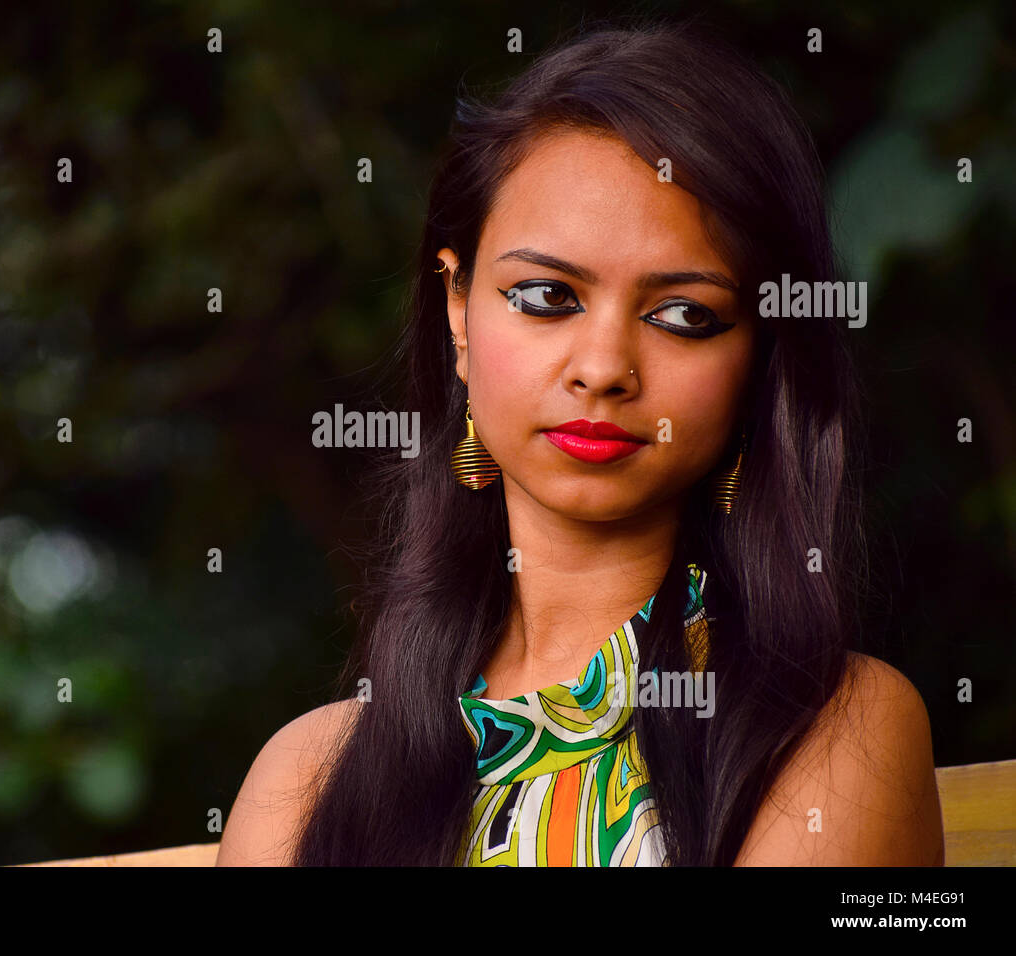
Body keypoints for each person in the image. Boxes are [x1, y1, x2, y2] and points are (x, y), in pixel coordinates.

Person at [216, 20, 944, 867]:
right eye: (545, 296)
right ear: (457, 306)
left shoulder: (838, 725)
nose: (603, 369)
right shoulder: (303, 781)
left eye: (685, 316)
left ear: (762, 356)